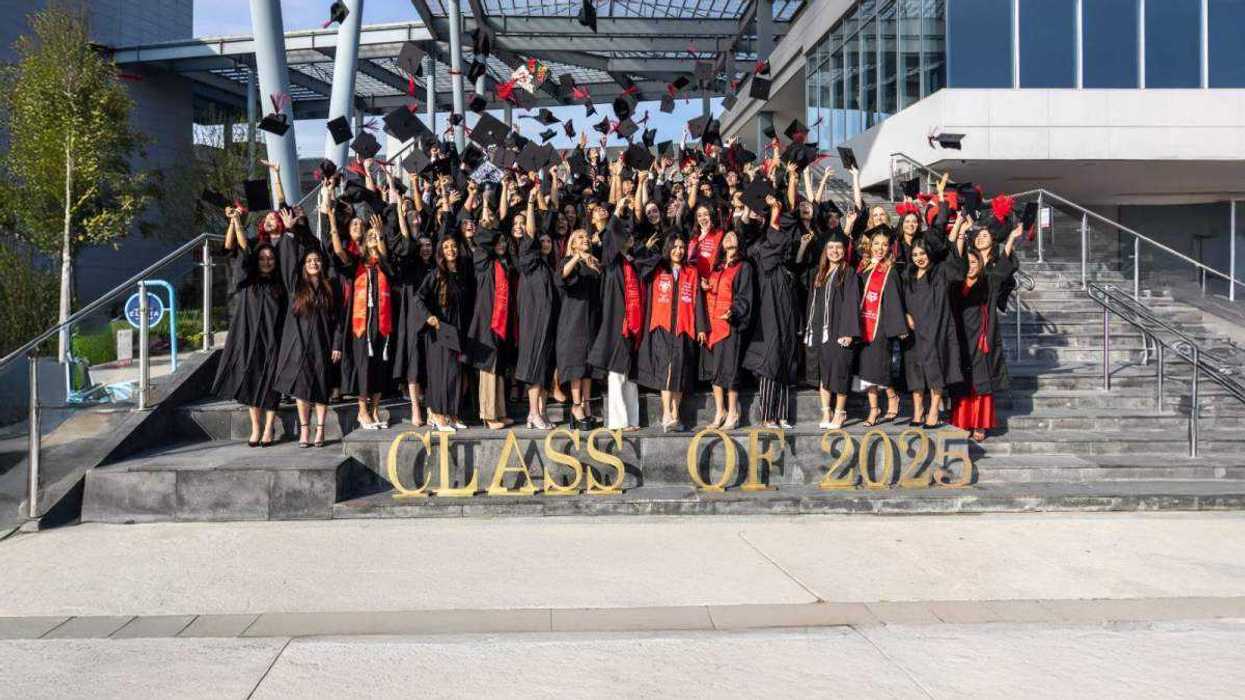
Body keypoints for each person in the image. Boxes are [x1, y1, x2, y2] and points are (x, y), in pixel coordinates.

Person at [211, 205, 285, 447]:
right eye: (262, 259)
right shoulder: (248, 281)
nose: (266, 261)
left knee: (271, 382)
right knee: (251, 380)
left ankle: (269, 427)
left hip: (272, 338)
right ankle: (256, 427)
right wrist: (235, 222)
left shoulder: (279, 285)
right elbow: (241, 249)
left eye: (270, 258)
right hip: (249, 337)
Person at [587, 196, 659, 431]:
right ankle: (618, 421)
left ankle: (633, 419)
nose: (628, 237)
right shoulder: (612, 261)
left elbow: (655, 260)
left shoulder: (635, 262)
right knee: (617, 372)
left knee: (630, 373)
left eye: (630, 235)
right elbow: (609, 239)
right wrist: (617, 211)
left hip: (635, 323)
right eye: (624, 235)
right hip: (619, 321)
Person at [951, 215, 1023, 442]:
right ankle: (962, 421)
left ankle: (980, 423)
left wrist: (1011, 239)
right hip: (961, 336)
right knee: (962, 379)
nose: (971, 265)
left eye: (975, 263)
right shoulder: (957, 281)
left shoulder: (989, 279)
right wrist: (961, 230)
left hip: (982, 335)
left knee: (981, 380)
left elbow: (1002, 268)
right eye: (968, 262)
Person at [636, 235, 709, 432]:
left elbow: (698, 300)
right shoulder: (658, 269)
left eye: (682, 247)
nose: (678, 251)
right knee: (666, 370)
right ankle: (666, 413)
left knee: (680, 371)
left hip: (684, 327)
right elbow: (640, 265)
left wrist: (701, 327)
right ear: (668, 248)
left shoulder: (691, 272)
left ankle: (676, 414)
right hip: (662, 325)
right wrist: (651, 252)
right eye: (674, 247)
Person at [330, 210, 395, 430]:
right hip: (361, 326)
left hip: (382, 323)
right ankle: (362, 411)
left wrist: (380, 236)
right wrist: (332, 220)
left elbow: (385, 258)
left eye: (376, 236)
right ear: (364, 243)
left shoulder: (384, 265)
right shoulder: (357, 263)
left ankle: (375, 410)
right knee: (364, 366)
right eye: (370, 237)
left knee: (379, 366)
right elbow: (339, 251)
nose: (373, 239)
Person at [901, 221, 967, 430]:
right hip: (914, 330)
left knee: (934, 367)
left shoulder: (941, 271)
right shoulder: (908, 275)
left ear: (929, 253)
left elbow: (959, 272)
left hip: (936, 328)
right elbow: (901, 300)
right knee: (914, 369)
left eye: (922, 253)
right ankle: (918, 410)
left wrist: (959, 235)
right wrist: (905, 315)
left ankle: (933, 410)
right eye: (915, 254)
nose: (919, 258)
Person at [272, 245, 341, 447]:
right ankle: (305, 429)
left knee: (322, 387)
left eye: (317, 260)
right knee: (302, 390)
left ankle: (320, 429)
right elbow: (288, 262)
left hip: (323, 344)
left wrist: (337, 345)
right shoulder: (296, 287)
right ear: (303, 265)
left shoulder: (330, 288)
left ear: (322, 264)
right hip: (300, 346)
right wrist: (290, 236)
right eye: (309, 261)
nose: (313, 263)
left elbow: (338, 320)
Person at [742, 196, 801, 429]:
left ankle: (782, 414)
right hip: (768, 310)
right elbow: (770, 239)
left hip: (785, 308)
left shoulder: (782, 268)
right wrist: (773, 214)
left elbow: (782, 237)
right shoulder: (762, 257)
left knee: (784, 356)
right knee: (770, 359)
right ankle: (768, 415)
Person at [466, 202, 515, 431]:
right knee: (488, 366)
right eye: (498, 242)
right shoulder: (483, 259)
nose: (501, 245)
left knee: (498, 366)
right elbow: (482, 240)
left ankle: (499, 411)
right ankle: (488, 414)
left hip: (501, 320)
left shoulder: (503, 264)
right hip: (486, 319)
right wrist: (487, 221)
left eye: (504, 241)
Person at [514, 187, 560, 429]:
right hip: (534, 323)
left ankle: (541, 412)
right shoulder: (529, 261)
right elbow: (530, 233)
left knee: (545, 367)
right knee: (535, 366)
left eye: (549, 241)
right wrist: (531, 204)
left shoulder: (548, 267)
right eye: (542, 241)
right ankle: (533, 412)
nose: (546, 243)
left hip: (548, 322)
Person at [804, 235, 861, 430]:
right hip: (821, 330)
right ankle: (826, 411)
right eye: (831, 247)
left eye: (838, 247)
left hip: (840, 330)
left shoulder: (848, 272)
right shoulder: (819, 273)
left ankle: (840, 412)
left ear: (844, 251)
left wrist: (849, 332)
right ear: (825, 251)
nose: (834, 251)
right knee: (824, 371)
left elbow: (852, 302)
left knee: (840, 371)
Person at [415, 235, 471, 432]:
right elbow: (419, 298)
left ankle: (453, 414)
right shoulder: (436, 274)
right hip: (440, 331)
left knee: (455, 373)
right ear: (441, 251)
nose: (451, 250)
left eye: (453, 246)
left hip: (457, 331)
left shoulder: (462, 273)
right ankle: (438, 416)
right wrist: (429, 316)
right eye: (446, 247)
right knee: (440, 374)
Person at [854, 226, 909, 426]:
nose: (880, 248)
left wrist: (898, 327)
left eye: (884, 245)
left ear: (889, 248)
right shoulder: (862, 268)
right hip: (861, 325)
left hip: (880, 326)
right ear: (869, 246)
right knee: (866, 370)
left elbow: (894, 300)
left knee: (878, 367)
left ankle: (890, 397)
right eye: (876, 243)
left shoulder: (890, 271)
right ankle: (875, 408)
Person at [391, 193, 435, 427]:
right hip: (412, 316)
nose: (426, 249)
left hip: (431, 316)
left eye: (429, 246)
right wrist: (401, 213)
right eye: (422, 246)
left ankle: (432, 408)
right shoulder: (409, 261)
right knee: (414, 362)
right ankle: (416, 409)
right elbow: (407, 243)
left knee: (430, 362)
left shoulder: (434, 267)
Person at [701, 231, 753, 429]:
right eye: (726, 236)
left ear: (739, 242)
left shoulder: (744, 266)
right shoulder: (717, 267)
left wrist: (734, 311)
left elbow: (745, 295)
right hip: (713, 325)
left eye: (733, 236)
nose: (729, 238)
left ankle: (733, 412)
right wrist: (707, 286)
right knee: (716, 371)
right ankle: (719, 411)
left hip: (730, 325)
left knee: (730, 370)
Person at [556, 227, 603, 430]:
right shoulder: (569, 261)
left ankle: (586, 404)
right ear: (573, 243)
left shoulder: (593, 262)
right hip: (573, 320)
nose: (585, 239)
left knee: (588, 365)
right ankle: (576, 406)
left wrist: (590, 260)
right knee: (576, 363)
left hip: (591, 319)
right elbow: (562, 276)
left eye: (586, 237)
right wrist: (577, 257)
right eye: (580, 237)